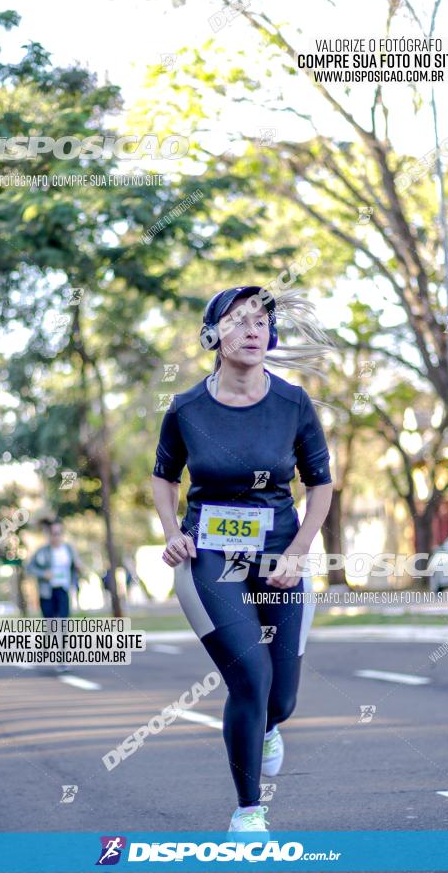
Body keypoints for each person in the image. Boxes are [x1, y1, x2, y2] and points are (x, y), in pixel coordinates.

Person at [151, 285, 334, 833]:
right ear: (213, 335)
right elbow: (163, 476)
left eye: (260, 321)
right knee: (249, 678)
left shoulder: (293, 402)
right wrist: (171, 532)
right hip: (209, 557)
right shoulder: (185, 408)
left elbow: (320, 486)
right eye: (237, 320)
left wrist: (299, 554)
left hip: (280, 556)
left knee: (281, 697)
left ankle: (270, 726)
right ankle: (248, 811)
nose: (253, 330)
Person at [26, 519, 85, 670]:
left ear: (62, 534)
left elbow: (78, 565)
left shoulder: (69, 550)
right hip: (47, 592)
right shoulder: (43, 551)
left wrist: (79, 568)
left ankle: (62, 659)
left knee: (63, 625)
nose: (56, 536)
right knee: (51, 626)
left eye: (59, 533)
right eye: (53, 533)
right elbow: (29, 568)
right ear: (49, 535)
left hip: (63, 590)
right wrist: (43, 573)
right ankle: (45, 647)